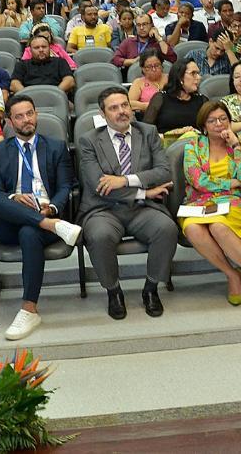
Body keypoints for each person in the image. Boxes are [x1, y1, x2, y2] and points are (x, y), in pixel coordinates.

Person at [0, 95, 80, 340]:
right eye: (19, 116)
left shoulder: (56, 146)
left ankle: (29, 309)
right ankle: (54, 227)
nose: (26, 120)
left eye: (30, 113)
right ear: (9, 121)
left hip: (44, 214)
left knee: (29, 232)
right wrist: (14, 200)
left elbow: (67, 186)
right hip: (11, 220)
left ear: (36, 114)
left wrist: (52, 209)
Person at [78, 87, 176, 320]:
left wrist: (125, 180)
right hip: (104, 209)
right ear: (103, 114)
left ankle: (150, 289)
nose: (122, 112)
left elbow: (163, 172)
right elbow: (98, 186)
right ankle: (114, 291)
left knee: (166, 228)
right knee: (99, 235)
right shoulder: (88, 141)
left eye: (125, 105)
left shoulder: (148, 132)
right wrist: (144, 193)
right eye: (114, 108)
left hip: (142, 210)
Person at [181, 101, 241, 315]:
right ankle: (231, 274)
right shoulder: (193, 145)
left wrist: (236, 146)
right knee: (193, 228)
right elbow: (197, 180)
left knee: (219, 227)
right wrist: (228, 183)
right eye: (212, 121)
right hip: (199, 202)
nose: (219, 124)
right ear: (204, 125)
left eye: (223, 119)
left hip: (232, 202)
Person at [145, 57, 207, 143]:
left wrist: (197, 132)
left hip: (195, 149)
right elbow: (146, 132)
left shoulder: (202, 100)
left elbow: (209, 131)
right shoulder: (160, 98)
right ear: (180, 76)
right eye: (193, 73)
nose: (199, 77)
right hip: (164, 147)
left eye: (198, 73)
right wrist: (174, 134)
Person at [10, 34, 75, 94]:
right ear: (30, 50)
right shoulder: (22, 65)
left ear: (49, 48)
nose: (41, 50)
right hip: (28, 100)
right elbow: (14, 84)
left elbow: (69, 80)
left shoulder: (60, 62)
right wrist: (28, 96)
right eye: (36, 48)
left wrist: (54, 94)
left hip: (56, 100)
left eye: (44, 47)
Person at [128, 48, 167, 116]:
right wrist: (148, 106)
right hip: (148, 117)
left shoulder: (171, 78)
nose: (154, 69)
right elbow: (129, 103)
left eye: (157, 65)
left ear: (162, 65)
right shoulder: (138, 83)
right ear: (143, 68)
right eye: (149, 67)